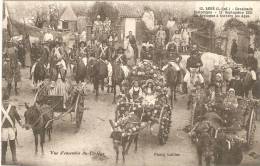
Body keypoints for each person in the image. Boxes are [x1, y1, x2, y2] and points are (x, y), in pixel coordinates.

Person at [1, 91, 23, 164]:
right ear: (2, 101)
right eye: (4, 101)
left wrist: (20, 123)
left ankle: (14, 159)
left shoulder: (12, 108)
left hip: (11, 129)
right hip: (3, 129)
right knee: (4, 145)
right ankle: (3, 159)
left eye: (7, 101)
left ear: (9, 101)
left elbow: (17, 116)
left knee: (12, 144)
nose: (6, 102)